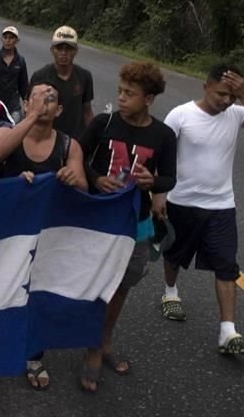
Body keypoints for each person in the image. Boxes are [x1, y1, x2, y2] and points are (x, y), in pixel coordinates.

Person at [160, 64, 244, 355]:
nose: (226, 101)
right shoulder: (181, 115)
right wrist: (159, 194)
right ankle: (170, 292)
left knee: (227, 265)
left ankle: (228, 332)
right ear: (205, 87)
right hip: (182, 201)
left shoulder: (237, 114)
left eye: (231, 96)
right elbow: (162, 155)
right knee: (174, 254)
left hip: (222, 205)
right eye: (221, 94)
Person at [79, 62, 178, 392]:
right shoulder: (104, 124)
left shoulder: (163, 135)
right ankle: (90, 346)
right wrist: (95, 178)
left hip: (136, 223)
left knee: (120, 287)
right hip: (98, 218)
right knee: (93, 283)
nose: (120, 98)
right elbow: (76, 153)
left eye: (129, 94)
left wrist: (154, 181)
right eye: (120, 91)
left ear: (148, 98)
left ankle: (102, 342)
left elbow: (170, 176)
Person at [0, 80, 88, 390]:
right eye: (38, 97)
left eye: (51, 99)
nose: (45, 102)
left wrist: (73, 179)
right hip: (7, 231)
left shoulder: (69, 145)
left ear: (59, 110)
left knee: (38, 292)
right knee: (1, 286)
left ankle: (33, 355)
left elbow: (84, 187)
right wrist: (30, 116)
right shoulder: (8, 131)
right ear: (26, 103)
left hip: (47, 234)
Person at [28, 26, 94, 138]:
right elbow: (30, 111)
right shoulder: (40, 76)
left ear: (76, 51)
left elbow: (87, 110)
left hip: (77, 139)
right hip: (48, 138)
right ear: (52, 50)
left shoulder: (84, 76)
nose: (63, 53)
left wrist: (92, 135)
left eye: (68, 49)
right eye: (59, 48)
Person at [0, 26, 29, 122]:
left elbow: (23, 86)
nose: (8, 40)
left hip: (13, 106)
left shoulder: (20, 61)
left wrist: (28, 104)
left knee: (14, 132)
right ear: (2, 39)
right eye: (5, 37)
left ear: (17, 41)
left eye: (11, 38)